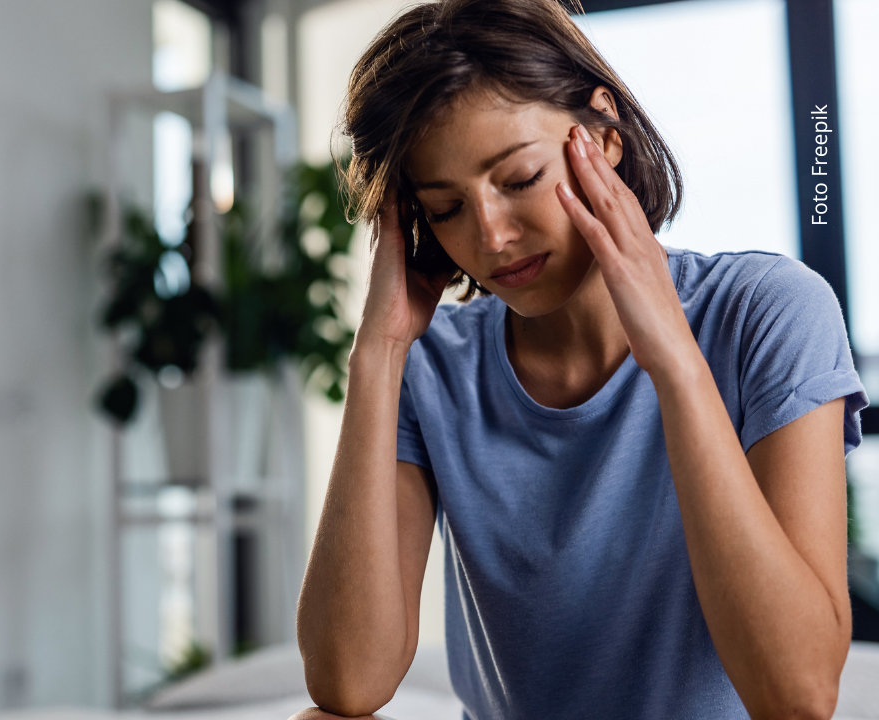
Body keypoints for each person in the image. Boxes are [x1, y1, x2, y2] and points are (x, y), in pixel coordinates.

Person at [291, 1, 869, 719]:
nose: (492, 237)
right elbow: (348, 681)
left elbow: (799, 696)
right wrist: (375, 356)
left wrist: (672, 358)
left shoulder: (770, 310)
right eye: (445, 209)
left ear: (604, 132)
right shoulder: (433, 367)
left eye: (519, 179)